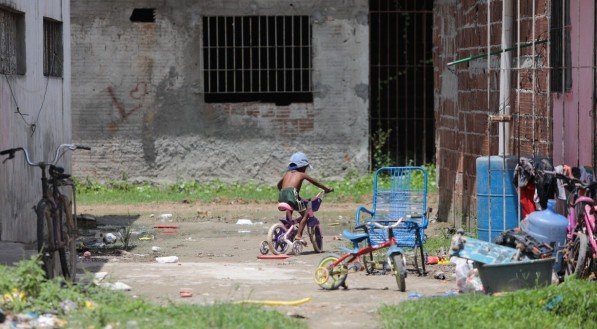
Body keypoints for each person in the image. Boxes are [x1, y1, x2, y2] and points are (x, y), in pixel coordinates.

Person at [277, 152, 333, 242]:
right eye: (306, 167)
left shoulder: (287, 174)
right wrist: (327, 189)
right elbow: (315, 182)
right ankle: (299, 235)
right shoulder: (301, 174)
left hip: (282, 195)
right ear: (303, 167)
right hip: (292, 194)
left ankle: (289, 226)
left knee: (291, 206)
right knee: (305, 214)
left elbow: (278, 185)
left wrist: (285, 192)